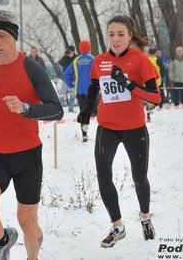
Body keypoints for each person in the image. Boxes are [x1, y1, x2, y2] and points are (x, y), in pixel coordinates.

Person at [0, 10, 63, 260]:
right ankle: (3, 239)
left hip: (28, 155)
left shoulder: (32, 69)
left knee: (28, 222)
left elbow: (56, 110)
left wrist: (27, 108)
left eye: (2, 36)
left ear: (14, 38)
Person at [77, 15, 160, 248]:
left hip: (135, 129)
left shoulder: (141, 60)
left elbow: (156, 97)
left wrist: (131, 85)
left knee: (140, 177)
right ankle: (118, 227)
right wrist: (86, 110)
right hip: (107, 127)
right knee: (104, 176)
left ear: (130, 35)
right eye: (111, 34)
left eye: (120, 34)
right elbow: (94, 86)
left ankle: (145, 218)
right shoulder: (100, 61)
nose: (115, 39)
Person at [63, 40, 94, 142]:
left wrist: (71, 85)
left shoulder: (76, 61)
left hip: (79, 90)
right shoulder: (92, 59)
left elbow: (66, 75)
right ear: (89, 48)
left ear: (80, 49)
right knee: (95, 112)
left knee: (83, 112)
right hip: (92, 89)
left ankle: (84, 134)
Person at [146, 46, 166, 122]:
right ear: (155, 53)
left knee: (149, 95)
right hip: (157, 81)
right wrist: (161, 77)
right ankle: (158, 105)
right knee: (158, 93)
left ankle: (149, 110)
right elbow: (163, 70)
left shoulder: (146, 59)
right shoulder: (158, 60)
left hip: (147, 81)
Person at [58, 45, 77, 112]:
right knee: (62, 94)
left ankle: (71, 108)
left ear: (73, 51)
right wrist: (66, 55)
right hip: (66, 79)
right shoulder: (65, 58)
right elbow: (60, 63)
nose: (69, 52)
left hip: (74, 79)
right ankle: (59, 109)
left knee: (73, 95)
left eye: (70, 51)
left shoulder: (76, 58)